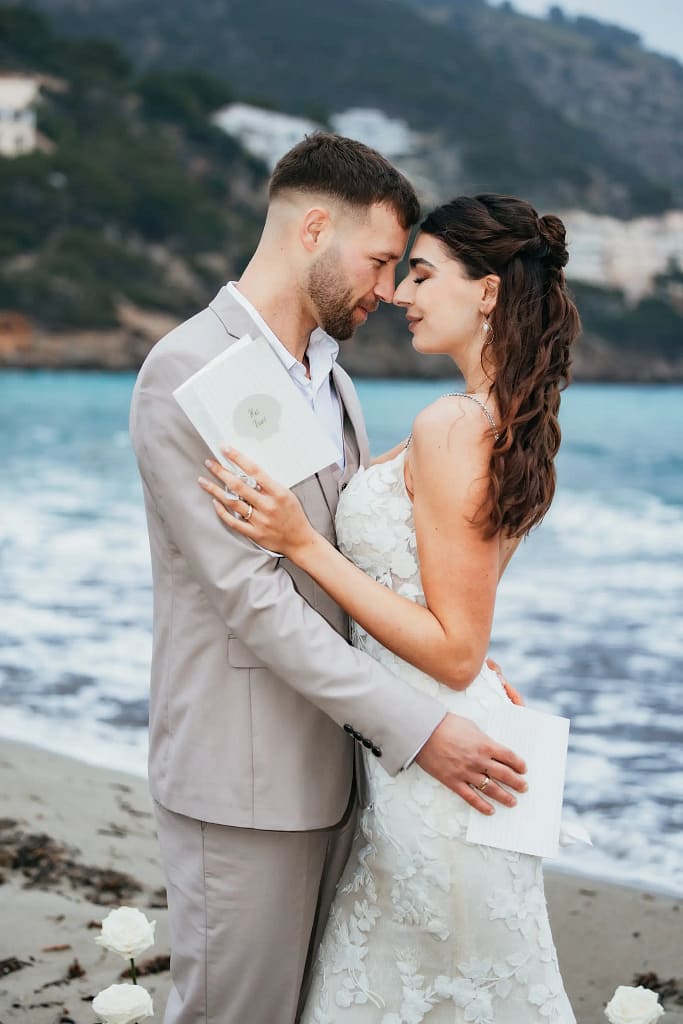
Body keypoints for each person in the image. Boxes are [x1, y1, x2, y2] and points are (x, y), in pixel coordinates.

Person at [129, 135, 528, 1024]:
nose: (388, 292)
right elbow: (254, 598)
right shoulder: (186, 371)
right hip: (245, 778)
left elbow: (348, 568)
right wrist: (421, 728)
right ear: (314, 228)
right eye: (383, 261)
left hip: (344, 769)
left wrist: (452, 667)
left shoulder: (330, 381)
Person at [200, 192, 581, 1022]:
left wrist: (302, 544)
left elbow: (452, 650)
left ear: (486, 292)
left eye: (420, 272)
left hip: (437, 765)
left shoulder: (450, 424)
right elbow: (457, 616)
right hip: (433, 738)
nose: (401, 294)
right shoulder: (496, 418)